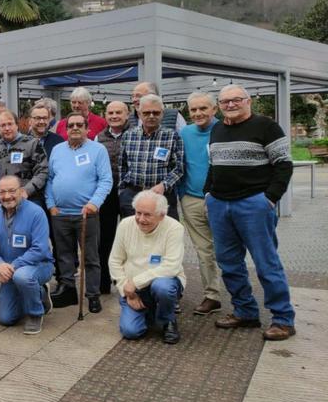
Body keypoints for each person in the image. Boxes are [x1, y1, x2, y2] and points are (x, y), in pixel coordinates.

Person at [205, 84, 295, 341]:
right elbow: (213, 166)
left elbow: (283, 165)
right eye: (224, 102)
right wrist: (208, 193)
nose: (230, 105)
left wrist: (269, 199)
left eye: (236, 100)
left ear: (248, 101)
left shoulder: (267, 126)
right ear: (219, 106)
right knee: (229, 263)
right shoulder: (217, 129)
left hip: (253, 204)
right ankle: (245, 311)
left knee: (266, 263)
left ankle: (283, 319)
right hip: (220, 204)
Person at [46, 112, 113, 312]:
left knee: (90, 257)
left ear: (87, 128)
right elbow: (50, 179)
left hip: (86, 213)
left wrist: (95, 203)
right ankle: (68, 290)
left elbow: (106, 180)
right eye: (71, 125)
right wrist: (51, 204)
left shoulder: (98, 150)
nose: (75, 128)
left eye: (79, 125)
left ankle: (92, 295)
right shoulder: (57, 150)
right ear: (66, 130)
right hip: (60, 214)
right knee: (64, 255)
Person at [108, 191, 184, 344]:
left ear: (161, 215)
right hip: (132, 289)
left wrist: (135, 282)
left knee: (163, 287)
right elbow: (115, 261)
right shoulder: (125, 225)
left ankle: (167, 321)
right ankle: (150, 312)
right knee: (130, 331)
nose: (141, 219)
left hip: (162, 282)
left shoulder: (174, 228)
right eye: (138, 213)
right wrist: (126, 290)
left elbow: (171, 266)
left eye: (148, 215)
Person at [0, 176, 54, 335]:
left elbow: (40, 249)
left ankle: (35, 313)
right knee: (6, 319)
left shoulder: (36, 212)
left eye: (12, 191)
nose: (7, 196)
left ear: (21, 191)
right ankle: (38, 293)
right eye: (2, 192)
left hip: (38, 266)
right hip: (8, 270)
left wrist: (13, 267)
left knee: (22, 276)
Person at [179, 92, 223, 315]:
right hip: (192, 199)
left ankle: (242, 295)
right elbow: (179, 163)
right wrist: (181, 195)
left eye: (203, 108)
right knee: (204, 250)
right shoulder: (185, 133)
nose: (198, 113)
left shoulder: (225, 130)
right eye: (194, 109)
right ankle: (212, 295)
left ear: (214, 109)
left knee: (227, 249)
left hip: (221, 200)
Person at [119, 94, 184, 220]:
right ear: (139, 113)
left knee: (163, 234)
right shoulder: (128, 135)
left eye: (156, 112)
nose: (151, 116)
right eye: (147, 112)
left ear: (162, 113)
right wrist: (122, 191)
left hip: (162, 195)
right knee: (133, 234)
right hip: (133, 194)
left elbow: (179, 168)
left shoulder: (172, 136)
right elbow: (123, 165)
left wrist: (163, 185)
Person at [96, 101, 129, 294]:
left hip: (128, 192)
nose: (114, 116)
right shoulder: (98, 137)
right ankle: (103, 281)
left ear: (127, 115)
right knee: (105, 238)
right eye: (110, 112)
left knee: (128, 238)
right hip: (107, 194)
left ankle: (127, 281)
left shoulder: (134, 134)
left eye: (118, 112)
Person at [0, 110, 48, 205]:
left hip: (29, 199)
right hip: (4, 201)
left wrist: (27, 190)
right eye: (3, 125)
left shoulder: (32, 143)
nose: (7, 128)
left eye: (10, 124)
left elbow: (43, 172)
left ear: (17, 125)